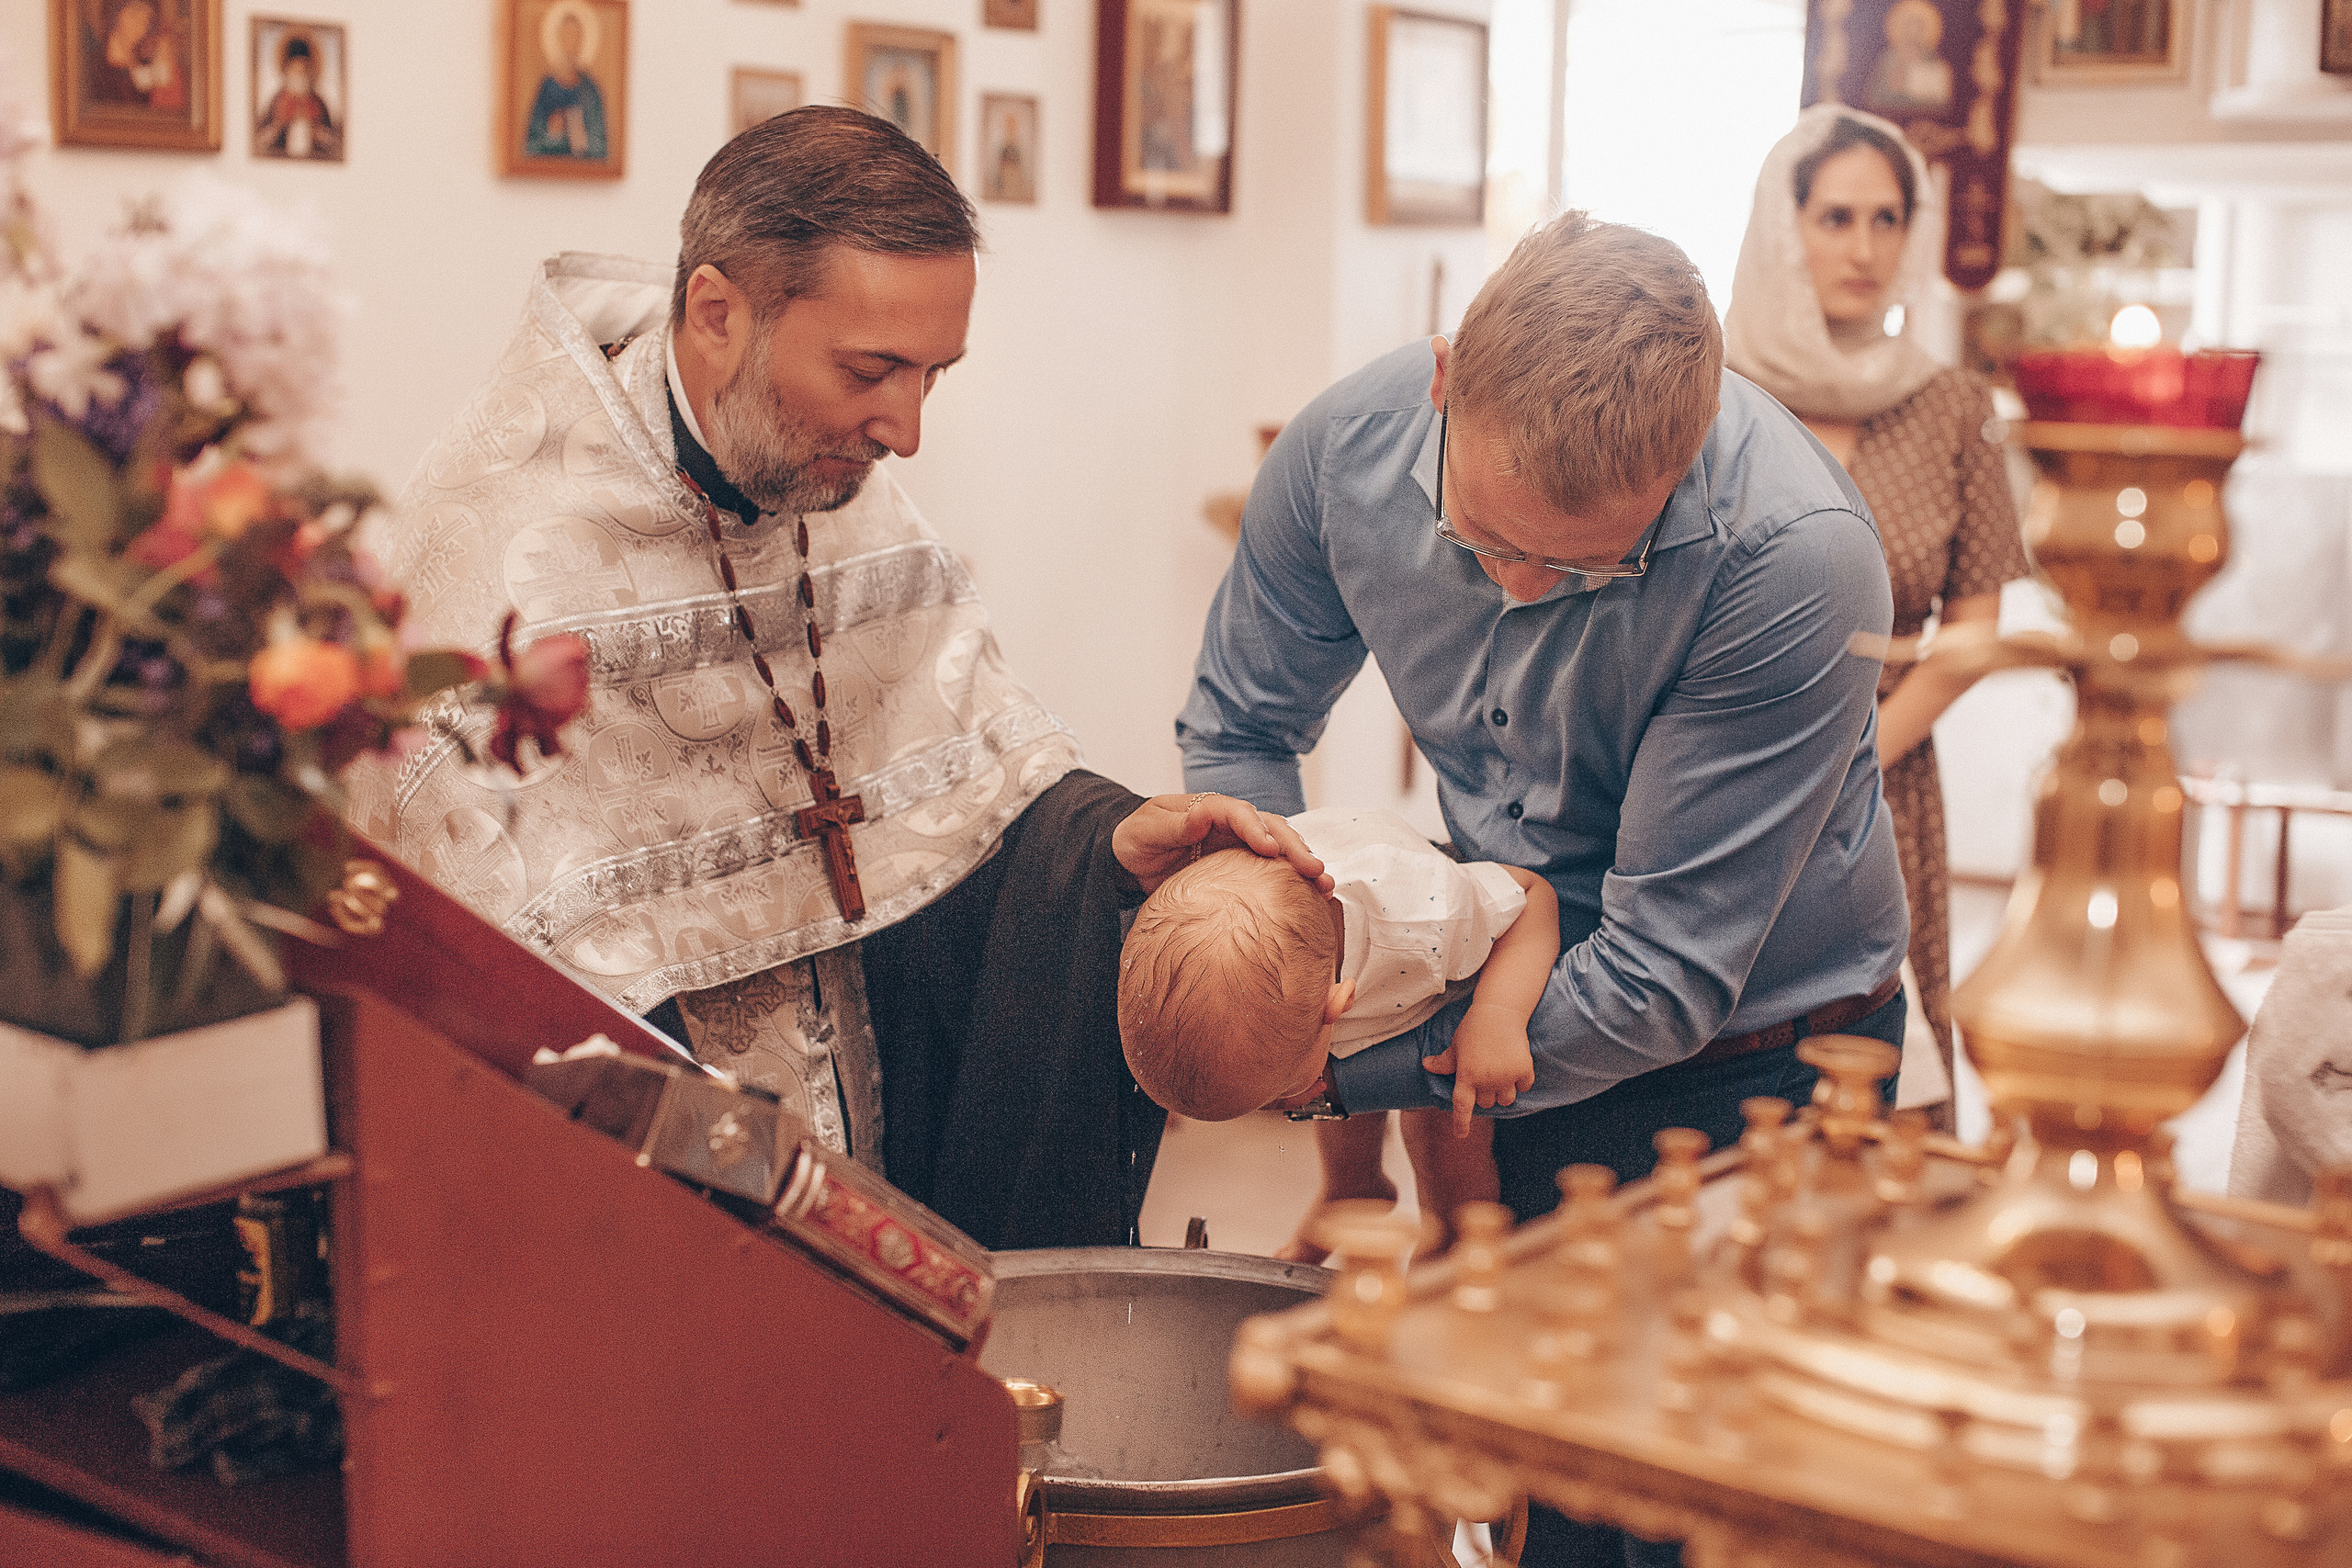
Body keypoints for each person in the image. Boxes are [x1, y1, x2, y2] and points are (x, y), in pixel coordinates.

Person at [348, 107, 1327, 1253]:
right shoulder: (503, 560)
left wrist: (1095, 846)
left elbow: (951, 804)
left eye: (933, 376)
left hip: (881, 1150)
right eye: (871, 372)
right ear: (716, 313)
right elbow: (484, 977)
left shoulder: (839, 498)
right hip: (652, 1214)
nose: (905, 431)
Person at [1175, 210, 1909, 1568]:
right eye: (1481, 542)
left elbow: (1665, 975)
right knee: (1543, 1502)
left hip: (1772, 1066)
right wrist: (1273, 953)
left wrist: (1340, 1069)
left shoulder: (1795, 553)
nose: (1517, 592)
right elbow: (1237, 728)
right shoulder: (1343, 451)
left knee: (1707, 1515)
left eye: (1581, 569)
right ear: (1447, 378)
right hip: (1518, 1031)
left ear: (1684, 465)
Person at [1725, 106, 2030, 1127]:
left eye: (1888, 220)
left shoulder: (1949, 406)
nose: (1864, 248)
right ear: (1784, 227)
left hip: (1884, 783)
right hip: (1725, 774)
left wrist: (1851, 763)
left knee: (1878, 1093)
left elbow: (1978, 631)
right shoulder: (1714, 393)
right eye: (1836, 218)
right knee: (1727, 1077)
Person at [1118, 810, 1557, 1247]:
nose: (1293, 1107)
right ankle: (1353, 1186)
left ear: (1339, 1005)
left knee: (1444, 1144)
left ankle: (1454, 1248)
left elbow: (1532, 895)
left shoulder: (1430, 923)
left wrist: (1497, 1015)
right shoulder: (1213, 908)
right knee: (1312, 1059)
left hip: (1453, 977)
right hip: (1345, 967)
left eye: (1280, 1097)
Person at [256, 36, 339, 162]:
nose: (299, 75)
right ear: (287, 71)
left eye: (304, 70)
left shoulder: (318, 102)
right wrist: (278, 126)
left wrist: (316, 132)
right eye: (295, 70)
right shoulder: (277, 101)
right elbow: (260, 139)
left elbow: (334, 143)